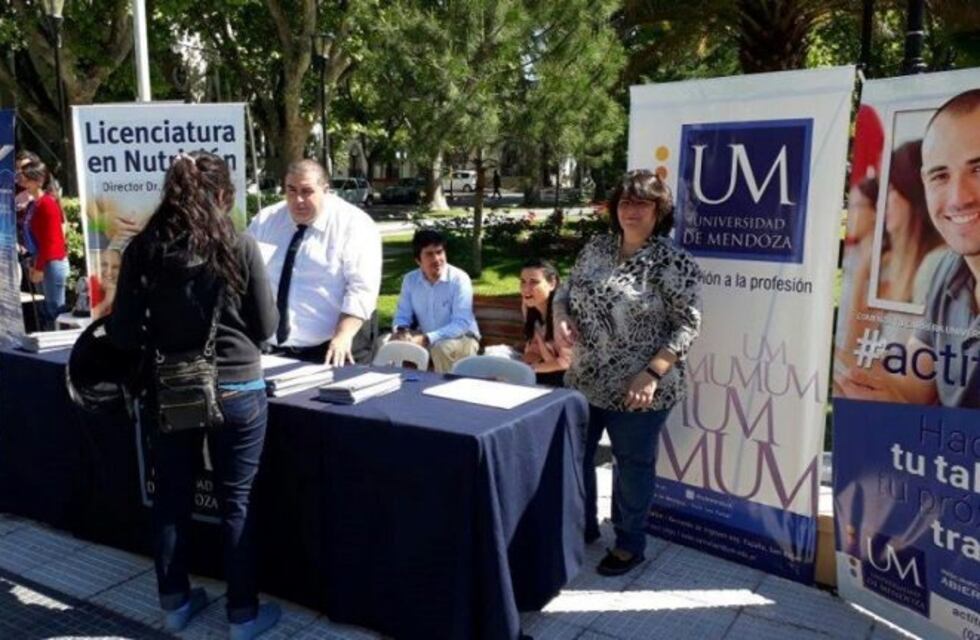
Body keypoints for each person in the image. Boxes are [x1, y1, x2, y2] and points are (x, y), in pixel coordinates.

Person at [108, 151, 280, 639]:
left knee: (172, 496)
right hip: (239, 387)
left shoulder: (144, 248)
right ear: (223, 196)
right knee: (237, 502)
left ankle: (174, 604)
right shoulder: (239, 243)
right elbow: (267, 326)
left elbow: (122, 335)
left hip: (173, 388)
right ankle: (243, 616)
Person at [554, 169, 701, 576]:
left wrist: (652, 373)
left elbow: (687, 325)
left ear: (659, 211)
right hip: (584, 379)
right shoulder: (597, 247)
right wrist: (560, 316)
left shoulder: (673, 261)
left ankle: (629, 543)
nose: (630, 211)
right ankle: (581, 528)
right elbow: (566, 290)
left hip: (639, 387)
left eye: (641, 203)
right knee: (577, 457)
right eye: (624, 202)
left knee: (632, 465)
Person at [837, 89, 980, 408]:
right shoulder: (947, 268)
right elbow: (914, 389)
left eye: (978, 169)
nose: (959, 197)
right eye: (940, 175)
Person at [248, 160, 381, 365]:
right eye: (291, 190)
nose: (298, 200)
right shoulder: (266, 221)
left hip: (335, 348)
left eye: (307, 191)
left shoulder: (355, 225)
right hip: (273, 351)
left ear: (326, 190)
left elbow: (362, 290)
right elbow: (246, 276)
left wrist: (343, 336)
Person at [389, 229, 480, 372]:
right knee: (385, 343)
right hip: (427, 338)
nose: (437, 259)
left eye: (439, 252)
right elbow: (402, 315)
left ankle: (447, 392)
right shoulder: (410, 280)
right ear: (418, 260)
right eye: (430, 254)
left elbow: (461, 324)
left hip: (463, 339)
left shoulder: (459, 279)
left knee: (441, 348)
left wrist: (426, 338)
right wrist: (401, 331)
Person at [20, 160, 68, 329]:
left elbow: (52, 242)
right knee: (45, 311)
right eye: (22, 178)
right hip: (39, 260)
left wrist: (39, 268)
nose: (23, 183)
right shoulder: (33, 204)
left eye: (27, 179)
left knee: (54, 311)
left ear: (39, 180)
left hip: (51, 262)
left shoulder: (48, 204)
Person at [519, 258, 570, 386]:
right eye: (523, 282)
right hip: (546, 371)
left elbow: (567, 362)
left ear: (552, 283)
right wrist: (517, 366)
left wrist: (530, 370)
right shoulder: (529, 307)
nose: (526, 288)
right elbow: (534, 349)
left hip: (568, 378)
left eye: (534, 282)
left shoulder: (564, 315)